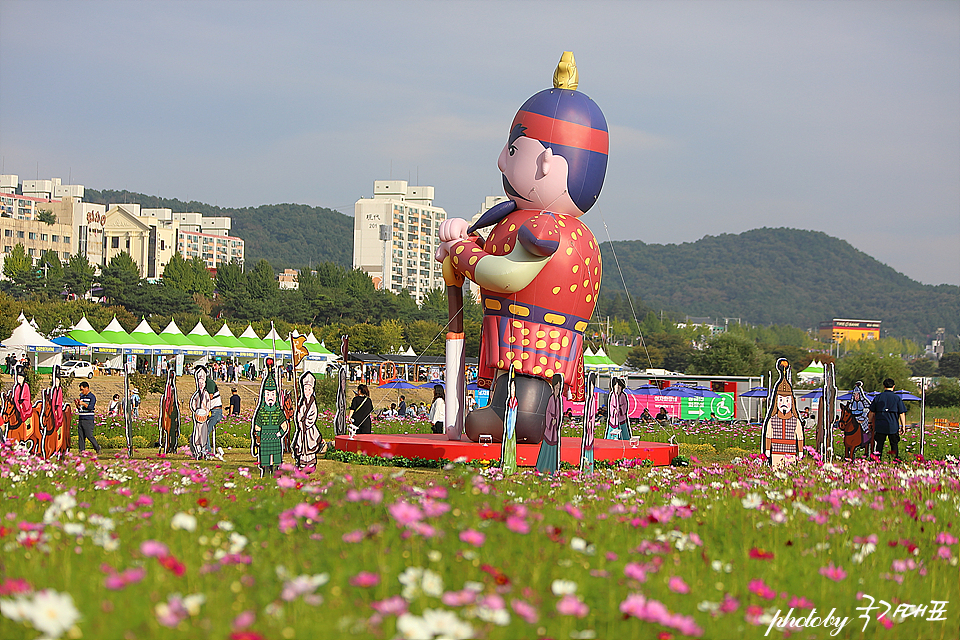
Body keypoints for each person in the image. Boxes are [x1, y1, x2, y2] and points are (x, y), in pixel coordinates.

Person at [436, 53, 609, 445]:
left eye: (513, 150)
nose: (501, 159)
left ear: (547, 163)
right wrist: (469, 245)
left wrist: (463, 252)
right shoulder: (540, 223)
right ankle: (516, 412)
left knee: (530, 380)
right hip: (516, 329)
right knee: (515, 376)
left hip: (535, 334)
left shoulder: (545, 227)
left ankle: (521, 418)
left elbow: (507, 274)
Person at [869, 378, 908, 461]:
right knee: (894, 445)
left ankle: (876, 461)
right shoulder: (897, 398)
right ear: (893, 386)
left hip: (880, 425)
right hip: (893, 426)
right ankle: (894, 461)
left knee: (879, 445)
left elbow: (871, 412)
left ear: (884, 386)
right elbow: (901, 413)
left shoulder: (878, 397)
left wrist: (870, 422)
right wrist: (903, 426)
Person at [76, 381, 101, 454]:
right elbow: (80, 408)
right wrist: (78, 405)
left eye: (82, 389)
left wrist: (83, 403)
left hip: (88, 419)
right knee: (81, 436)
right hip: (81, 418)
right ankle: (81, 450)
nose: (81, 391)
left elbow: (91, 407)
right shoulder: (82, 396)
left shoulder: (92, 397)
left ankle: (97, 447)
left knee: (89, 435)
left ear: (87, 388)